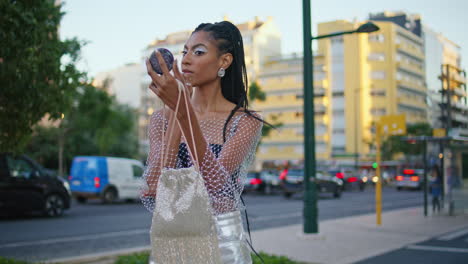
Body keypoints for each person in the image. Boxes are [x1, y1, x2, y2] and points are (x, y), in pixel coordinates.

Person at [141, 21, 267, 263]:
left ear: (224, 62)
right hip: (172, 239)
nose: (186, 60)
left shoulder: (245, 121)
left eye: (198, 52)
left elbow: (214, 183)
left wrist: (182, 110)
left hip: (221, 240)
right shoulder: (160, 117)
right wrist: (179, 109)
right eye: (184, 52)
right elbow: (155, 188)